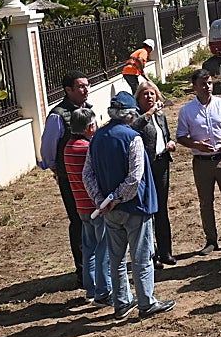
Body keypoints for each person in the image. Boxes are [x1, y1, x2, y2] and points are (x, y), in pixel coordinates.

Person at [83, 91, 175, 319]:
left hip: (110, 211)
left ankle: (122, 302)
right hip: (135, 207)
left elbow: (87, 174)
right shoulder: (132, 137)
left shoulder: (96, 138)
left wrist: (101, 201)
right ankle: (146, 302)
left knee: (116, 258)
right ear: (131, 114)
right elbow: (135, 177)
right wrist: (115, 198)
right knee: (142, 256)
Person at [176, 69, 221, 254]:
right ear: (195, 87)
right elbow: (180, 136)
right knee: (206, 202)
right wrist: (195, 144)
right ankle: (211, 240)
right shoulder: (187, 111)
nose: (208, 87)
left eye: (210, 83)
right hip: (202, 162)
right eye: (203, 84)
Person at [39, 70, 90, 285]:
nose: (86, 89)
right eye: (80, 86)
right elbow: (48, 149)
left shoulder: (87, 109)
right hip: (70, 177)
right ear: (68, 90)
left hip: (90, 175)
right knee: (78, 221)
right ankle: (82, 271)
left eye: (86, 85)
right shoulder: (57, 116)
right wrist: (57, 169)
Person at [64, 108, 111, 306]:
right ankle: (104, 291)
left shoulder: (68, 147)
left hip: (81, 206)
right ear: (90, 127)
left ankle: (90, 289)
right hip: (95, 205)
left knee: (89, 249)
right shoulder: (87, 148)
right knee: (103, 249)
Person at [132, 80, 176, 268]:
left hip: (162, 164)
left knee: (162, 210)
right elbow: (134, 127)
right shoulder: (137, 116)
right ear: (139, 98)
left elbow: (165, 134)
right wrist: (149, 113)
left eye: (152, 94)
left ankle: (166, 252)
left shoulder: (161, 116)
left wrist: (170, 143)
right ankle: (152, 254)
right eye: (145, 94)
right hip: (145, 169)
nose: (149, 97)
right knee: (148, 211)